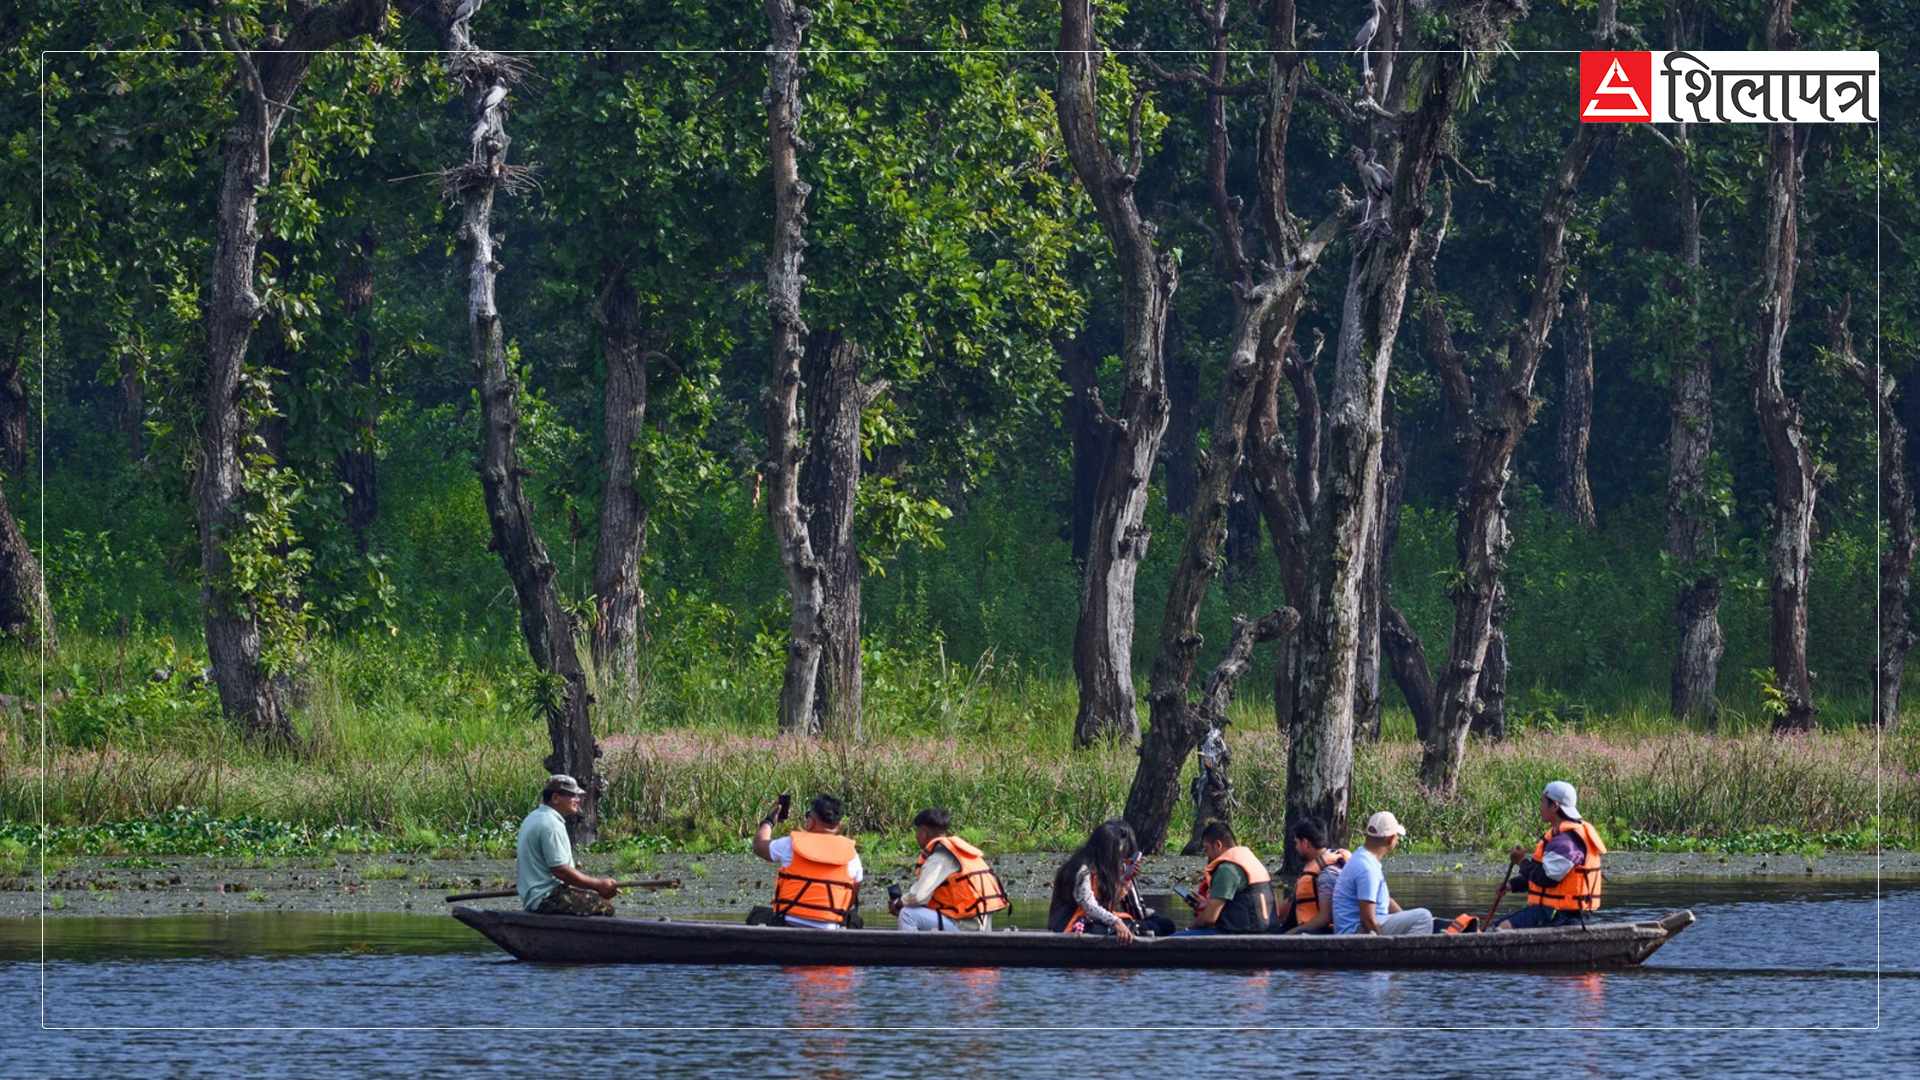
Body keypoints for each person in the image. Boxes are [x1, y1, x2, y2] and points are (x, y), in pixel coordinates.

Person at [1490, 780, 1606, 931]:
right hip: (1552, 912)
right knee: (1496, 926)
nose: (1539, 807)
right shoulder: (1561, 837)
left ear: (1555, 806)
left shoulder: (1566, 842)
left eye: (1542, 803)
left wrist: (1521, 861)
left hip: (1560, 915)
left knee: (1501, 928)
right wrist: (1513, 885)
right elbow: (1545, 875)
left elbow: (1546, 879)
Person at [1048, 819, 1173, 942]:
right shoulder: (1083, 870)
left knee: (1166, 924)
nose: (1121, 859)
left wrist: (1125, 880)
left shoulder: (1101, 869)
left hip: (1095, 922)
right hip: (1072, 926)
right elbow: (1089, 906)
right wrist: (1116, 922)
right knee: (1134, 926)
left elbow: (1107, 901)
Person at [752, 793, 865, 929]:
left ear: (811, 822)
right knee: (856, 920)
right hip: (831, 927)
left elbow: (759, 845)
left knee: (756, 915)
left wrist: (769, 821)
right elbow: (852, 894)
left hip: (788, 922)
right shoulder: (852, 856)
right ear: (839, 825)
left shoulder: (790, 845)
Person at [515, 774, 620, 916]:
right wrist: (598, 885)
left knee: (593, 897)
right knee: (604, 906)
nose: (578, 800)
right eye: (573, 796)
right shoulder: (551, 824)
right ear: (556, 798)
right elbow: (560, 871)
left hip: (537, 896)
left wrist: (594, 887)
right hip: (546, 897)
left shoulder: (535, 816)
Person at [890, 807, 1009, 931]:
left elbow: (918, 896)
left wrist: (898, 903)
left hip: (966, 927)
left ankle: (907, 950)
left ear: (924, 833)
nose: (916, 836)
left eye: (917, 831)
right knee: (913, 910)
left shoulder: (939, 857)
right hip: (978, 925)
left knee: (907, 914)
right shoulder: (959, 852)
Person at [1331, 810, 1433, 935]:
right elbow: (1367, 919)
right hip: (1355, 932)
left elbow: (1386, 900)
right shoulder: (1367, 868)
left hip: (1361, 927)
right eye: (1397, 836)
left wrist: (1404, 917)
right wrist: (1382, 946)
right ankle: (1405, 954)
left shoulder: (1363, 857)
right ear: (1391, 839)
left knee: (1417, 918)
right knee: (1423, 917)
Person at [1174, 820, 1279, 935]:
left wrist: (1189, 928)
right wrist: (1207, 904)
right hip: (1264, 929)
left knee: (1172, 941)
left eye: (1207, 849)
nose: (1207, 854)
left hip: (1240, 934)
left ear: (1218, 845)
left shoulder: (1227, 869)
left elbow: (1209, 918)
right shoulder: (1250, 860)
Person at [1279, 816, 1349, 935]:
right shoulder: (1319, 865)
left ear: (1305, 843)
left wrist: (1289, 934)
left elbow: (1324, 918)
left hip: (1327, 932)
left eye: (1297, 843)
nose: (1296, 848)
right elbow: (1294, 899)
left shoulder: (1327, 874)